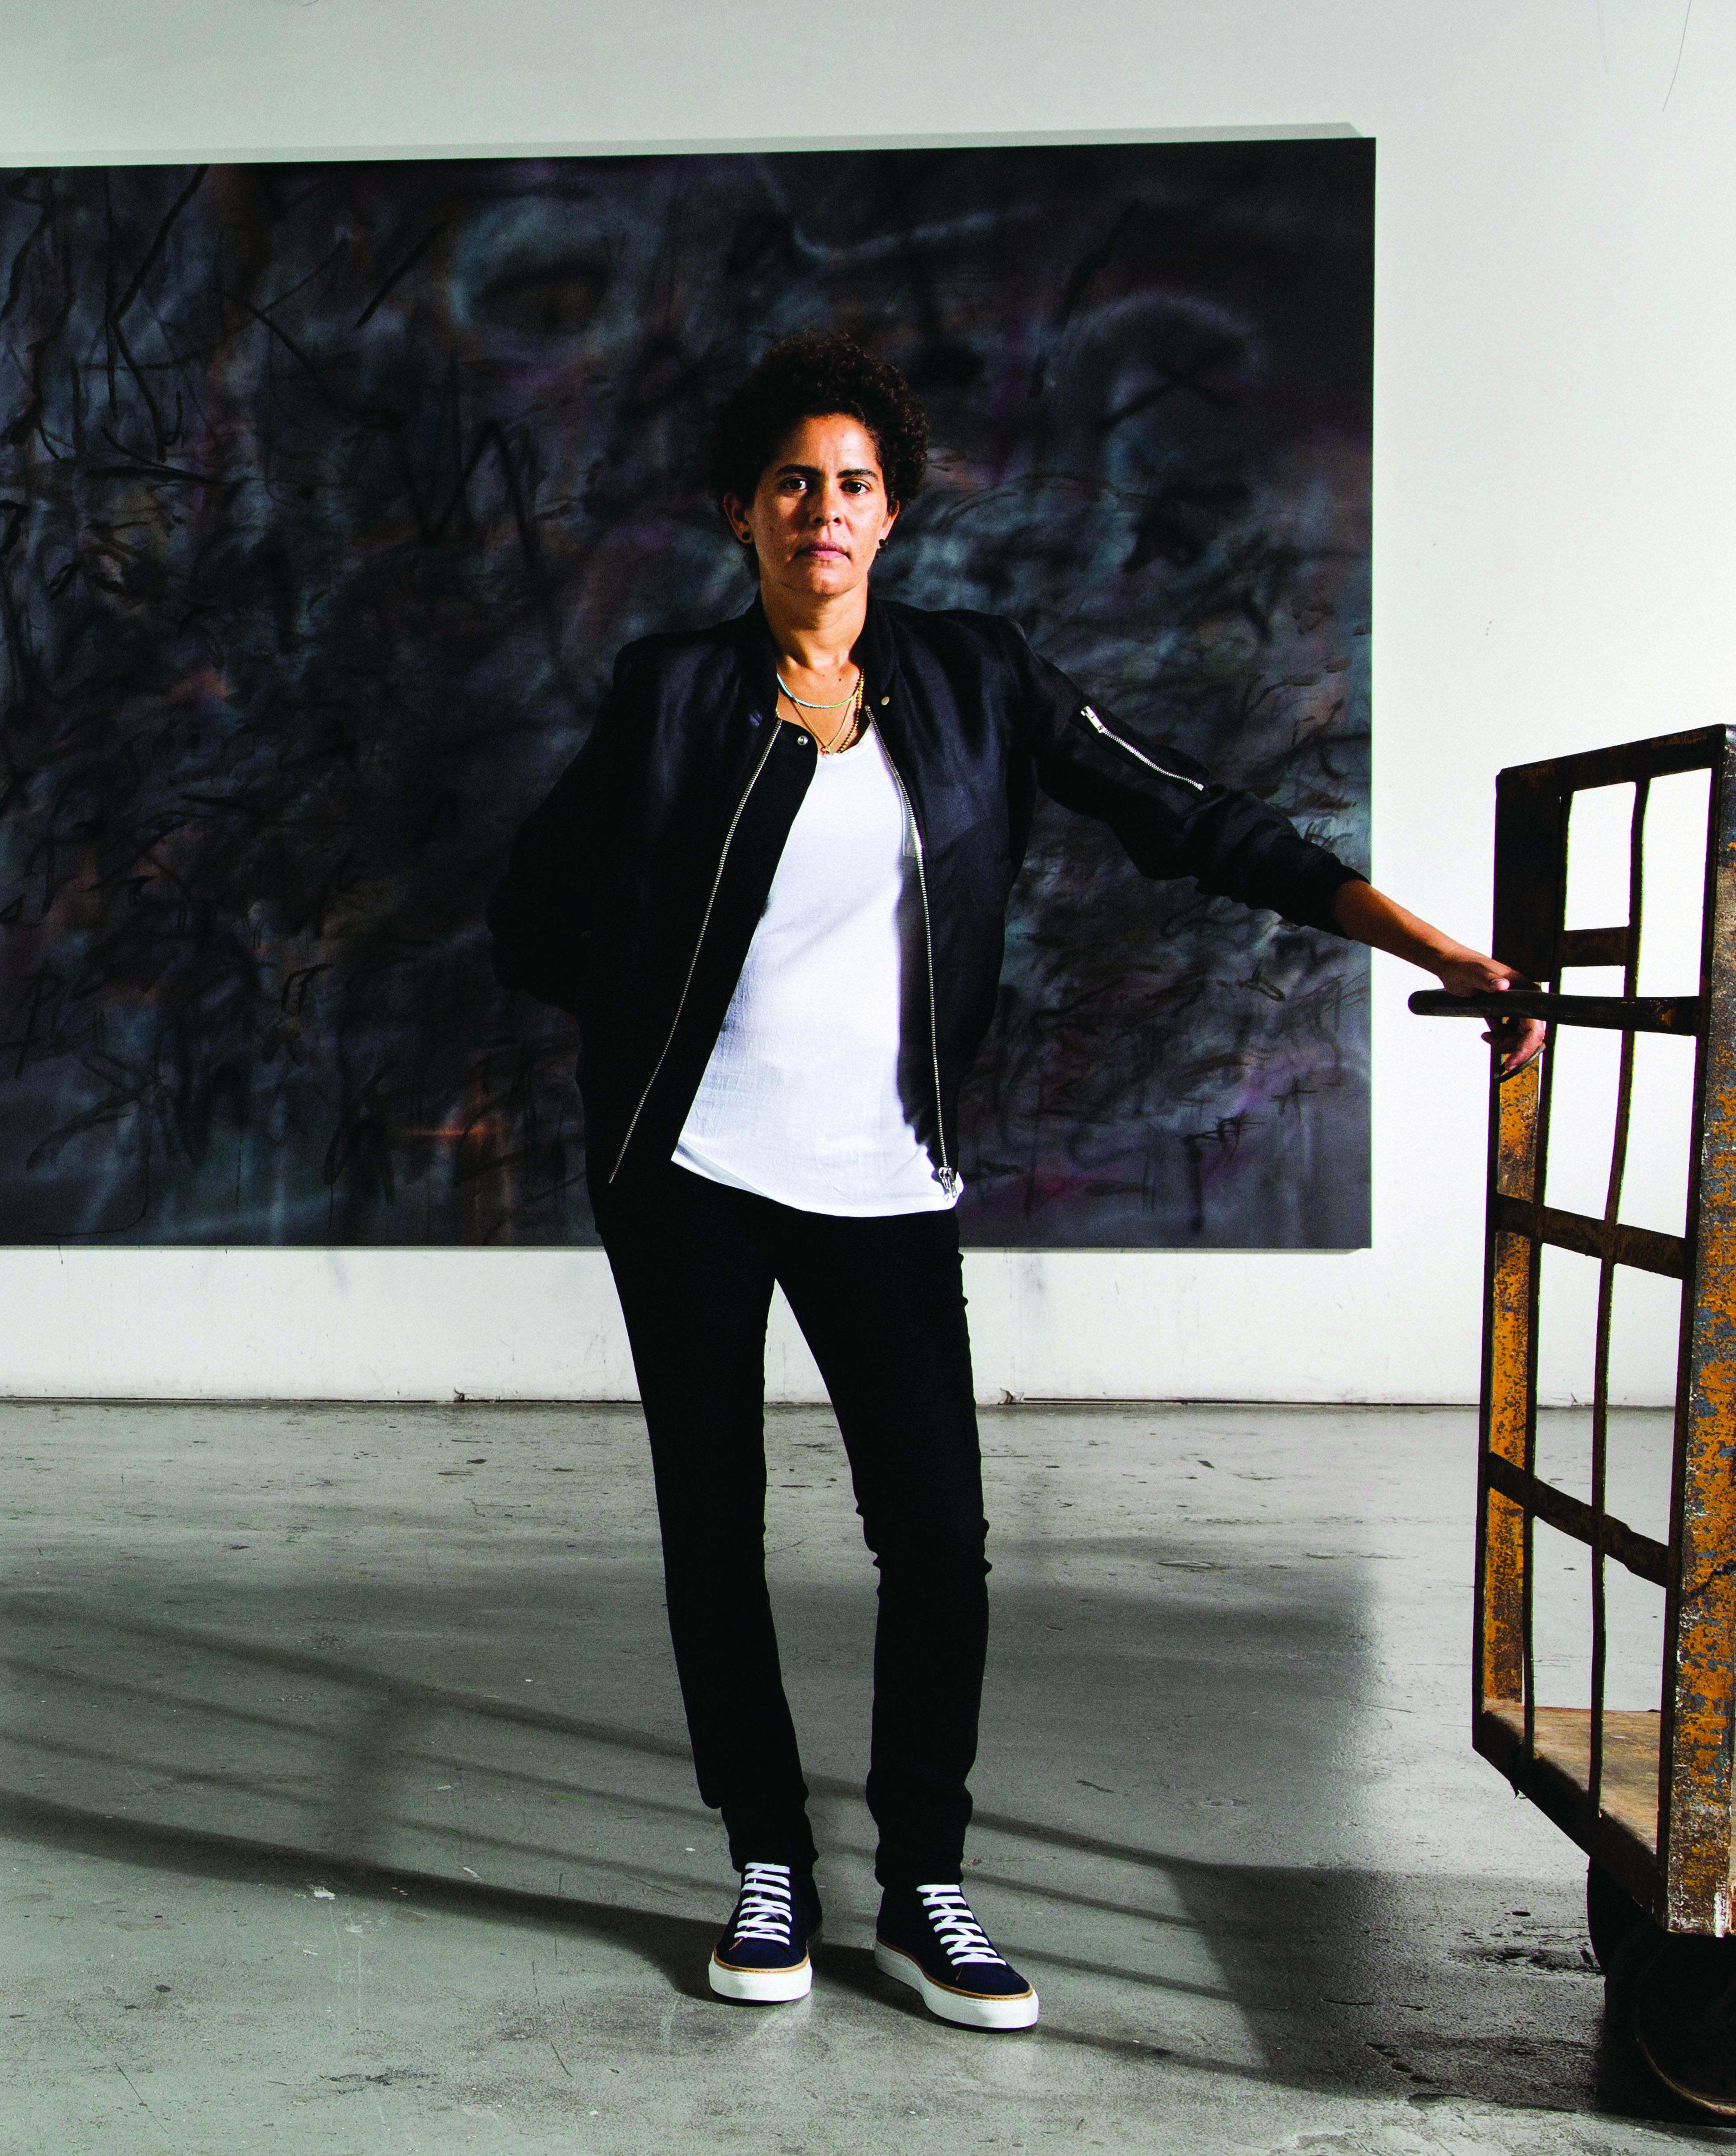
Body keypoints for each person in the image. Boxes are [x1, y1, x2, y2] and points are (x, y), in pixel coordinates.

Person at [484, 328, 1541, 2030]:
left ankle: (926, 1888)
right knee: (715, 1528)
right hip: (690, 1173)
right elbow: (531, 913)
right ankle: (767, 1861)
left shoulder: (977, 678)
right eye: (791, 485)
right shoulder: (674, 691)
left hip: (887, 1173)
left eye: (854, 485)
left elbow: (1193, 819)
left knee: (939, 1542)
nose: (823, 511)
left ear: (891, 517)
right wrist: (648, 1030)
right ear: (742, 516)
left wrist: (1425, 940)